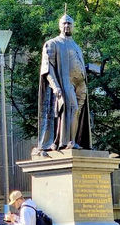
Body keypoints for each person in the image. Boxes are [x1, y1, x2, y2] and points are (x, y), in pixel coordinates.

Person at [35, 12, 92, 155]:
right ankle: (67, 142)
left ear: (73, 27)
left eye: (69, 23)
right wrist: (55, 86)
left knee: (77, 112)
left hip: (81, 84)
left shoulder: (76, 46)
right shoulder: (52, 43)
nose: (67, 26)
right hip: (66, 82)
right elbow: (48, 68)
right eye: (64, 23)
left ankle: (74, 140)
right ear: (59, 26)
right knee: (71, 108)